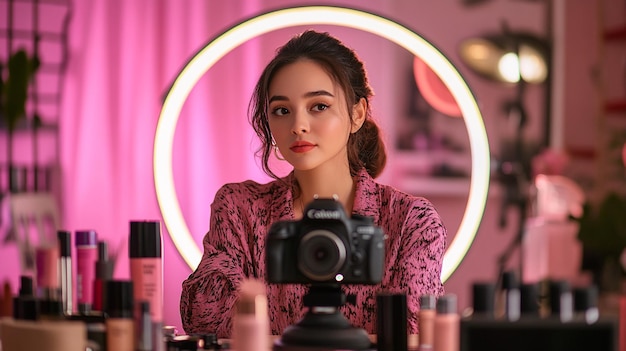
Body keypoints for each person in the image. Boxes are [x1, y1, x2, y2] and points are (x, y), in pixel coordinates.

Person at [180, 30, 446, 338]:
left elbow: (415, 335)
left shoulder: (410, 221)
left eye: (319, 106)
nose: (298, 126)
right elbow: (205, 321)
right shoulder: (241, 208)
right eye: (282, 110)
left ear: (357, 113)